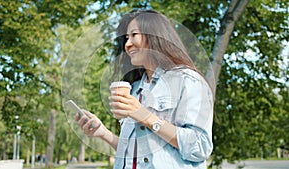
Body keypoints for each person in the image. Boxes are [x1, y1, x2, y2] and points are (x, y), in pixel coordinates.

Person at [77, 9, 214, 169]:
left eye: (134, 35)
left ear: (155, 36)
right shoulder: (135, 89)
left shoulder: (187, 80)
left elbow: (200, 146)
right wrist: (103, 133)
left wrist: (145, 116)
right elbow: (137, 154)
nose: (127, 44)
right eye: (126, 38)